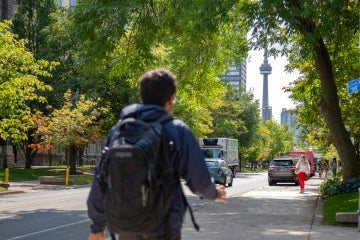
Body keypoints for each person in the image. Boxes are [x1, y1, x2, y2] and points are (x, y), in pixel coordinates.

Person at [87, 68, 227, 240]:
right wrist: (214, 193)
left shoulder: (119, 130)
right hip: (163, 225)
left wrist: (97, 227)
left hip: (126, 225)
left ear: (142, 97)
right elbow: (198, 181)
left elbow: (100, 178)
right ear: (171, 99)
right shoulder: (177, 130)